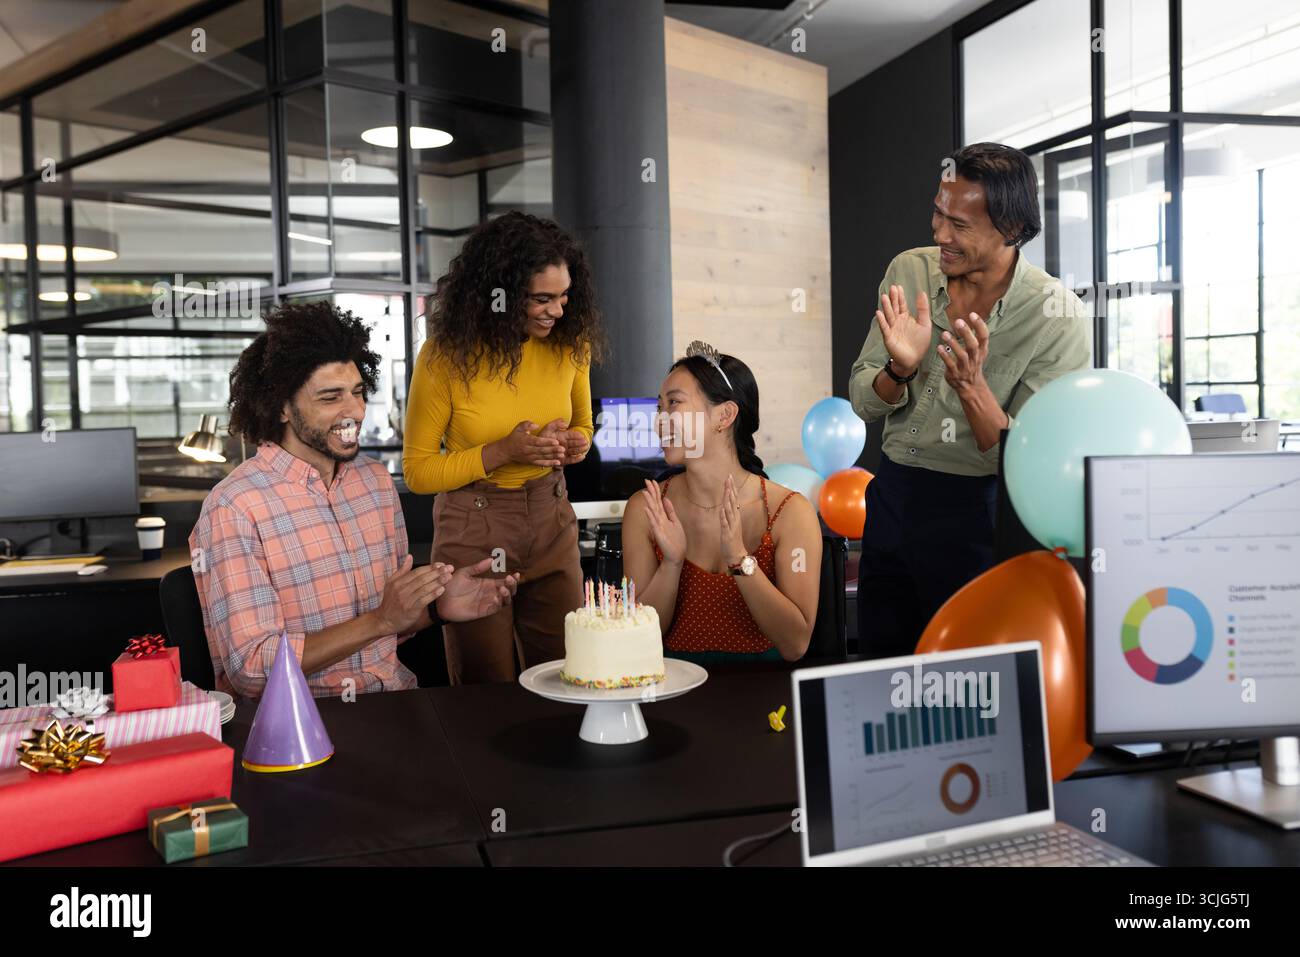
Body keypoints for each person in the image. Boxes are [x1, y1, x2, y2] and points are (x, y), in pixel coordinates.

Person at [190, 301, 517, 699]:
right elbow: (252, 670)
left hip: (396, 701)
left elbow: (388, 634)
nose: (355, 412)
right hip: (305, 725)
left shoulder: (374, 483)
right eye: (330, 398)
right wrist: (379, 620)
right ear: (281, 407)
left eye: (358, 393)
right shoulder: (235, 507)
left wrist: (434, 608)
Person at [848, 142, 1091, 659]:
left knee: (965, 676)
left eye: (959, 225)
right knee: (881, 660)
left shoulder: (1055, 315)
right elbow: (864, 404)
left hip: (975, 512)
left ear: (1012, 229)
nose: (939, 235)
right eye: (938, 213)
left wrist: (972, 388)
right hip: (891, 491)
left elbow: (1026, 460)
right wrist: (900, 368)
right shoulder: (908, 270)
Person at [403, 212, 606, 684]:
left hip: (550, 516)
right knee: (484, 686)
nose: (557, 311)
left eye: (564, 296)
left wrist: (572, 445)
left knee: (566, 674)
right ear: (501, 294)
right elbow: (418, 472)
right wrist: (502, 451)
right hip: (474, 524)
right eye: (541, 299)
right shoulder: (444, 357)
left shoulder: (571, 344)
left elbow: (583, 427)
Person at [622, 344, 821, 664]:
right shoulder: (645, 509)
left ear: (725, 415)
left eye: (673, 403)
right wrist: (671, 564)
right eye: (659, 408)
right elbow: (640, 641)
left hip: (764, 701)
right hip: (671, 693)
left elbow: (795, 644)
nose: (659, 421)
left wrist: (740, 561)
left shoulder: (790, 513)